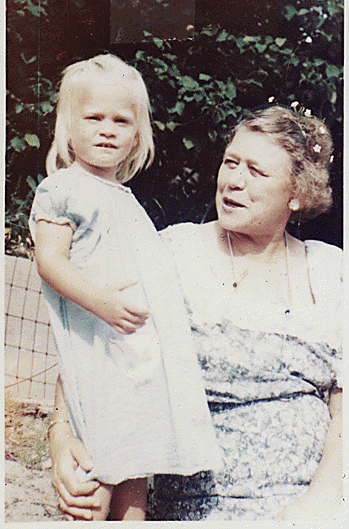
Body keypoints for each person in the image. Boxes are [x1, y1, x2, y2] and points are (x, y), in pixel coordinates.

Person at [48, 105, 342, 521]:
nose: (233, 181)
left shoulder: (330, 273)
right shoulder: (174, 253)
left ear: (298, 194)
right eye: (230, 163)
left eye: (256, 172)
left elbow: (344, 406)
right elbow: (96, 346)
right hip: (195, 511)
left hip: (309, 506)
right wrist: (61, 436)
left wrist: (320, 503)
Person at [28, 53, 221, 521]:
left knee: (137, 462)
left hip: (136, 358)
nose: (107, 129)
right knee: (95, 468)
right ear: (67, 126)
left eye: (121, 120)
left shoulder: (127, 199)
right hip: (97, 352)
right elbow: (49, 262)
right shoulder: (63, 190)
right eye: (93, 118)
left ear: (138, 134)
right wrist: (103, 303)